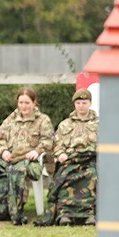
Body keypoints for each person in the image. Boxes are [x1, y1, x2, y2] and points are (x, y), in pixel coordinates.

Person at [0, 87, 54, 225]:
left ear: (34, 103)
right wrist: (3, 151)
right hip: (9, 157)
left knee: (17, 172)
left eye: (27, 103)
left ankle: (16, 212)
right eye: (21, 102)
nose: (23, 106)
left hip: (29, 159)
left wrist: (37, 151)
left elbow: (48, 140)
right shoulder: (11, 119)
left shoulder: (43, 120)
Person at [37, 88, 98, 226]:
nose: (81, 106)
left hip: (91, 161)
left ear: (90, 103)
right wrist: (61, 154)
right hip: (69, 160)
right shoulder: (65, 124)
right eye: (78, 103)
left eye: (84, 102)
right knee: (64, 177)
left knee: (92, 176)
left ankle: (89, 214)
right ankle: (65, 214)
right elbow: (57, 144)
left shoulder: (99, 124)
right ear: (74, 105)